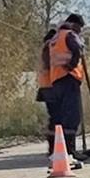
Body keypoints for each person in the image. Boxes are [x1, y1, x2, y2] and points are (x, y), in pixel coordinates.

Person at [47, 13, 86, 166]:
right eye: (80, 27)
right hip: (69, 79)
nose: (80, 31)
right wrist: (72, 66)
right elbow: (77, 50)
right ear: (74, 24)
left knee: (62, 118)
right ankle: (69, 152)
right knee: (72, 117)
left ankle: (64, 151)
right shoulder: (69, 35)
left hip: (57, 80)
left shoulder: (55, 38)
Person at [36, 27, 58, 155]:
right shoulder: (50, 48)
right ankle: (54, 147)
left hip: (46, 86)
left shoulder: (45, 48)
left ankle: (53, 146)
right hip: (51, 85)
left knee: (53, 118)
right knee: (56, 118)